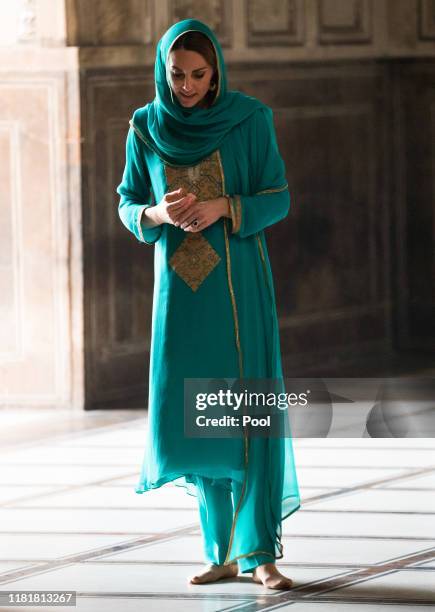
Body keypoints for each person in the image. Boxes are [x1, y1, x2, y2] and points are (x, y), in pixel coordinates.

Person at [116, 18, 301, 590]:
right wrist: (156, 214)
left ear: (216, 70)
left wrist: (224, 207)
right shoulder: (146, 127)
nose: (188, 86)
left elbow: (278, 196)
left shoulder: (249, 120)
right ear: (163, 71)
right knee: (198, 419)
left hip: (239, 287)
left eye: (199, 74)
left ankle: (260, 555)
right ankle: (219, 552)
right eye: (177, 75)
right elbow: (127, 202)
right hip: (180, 297)